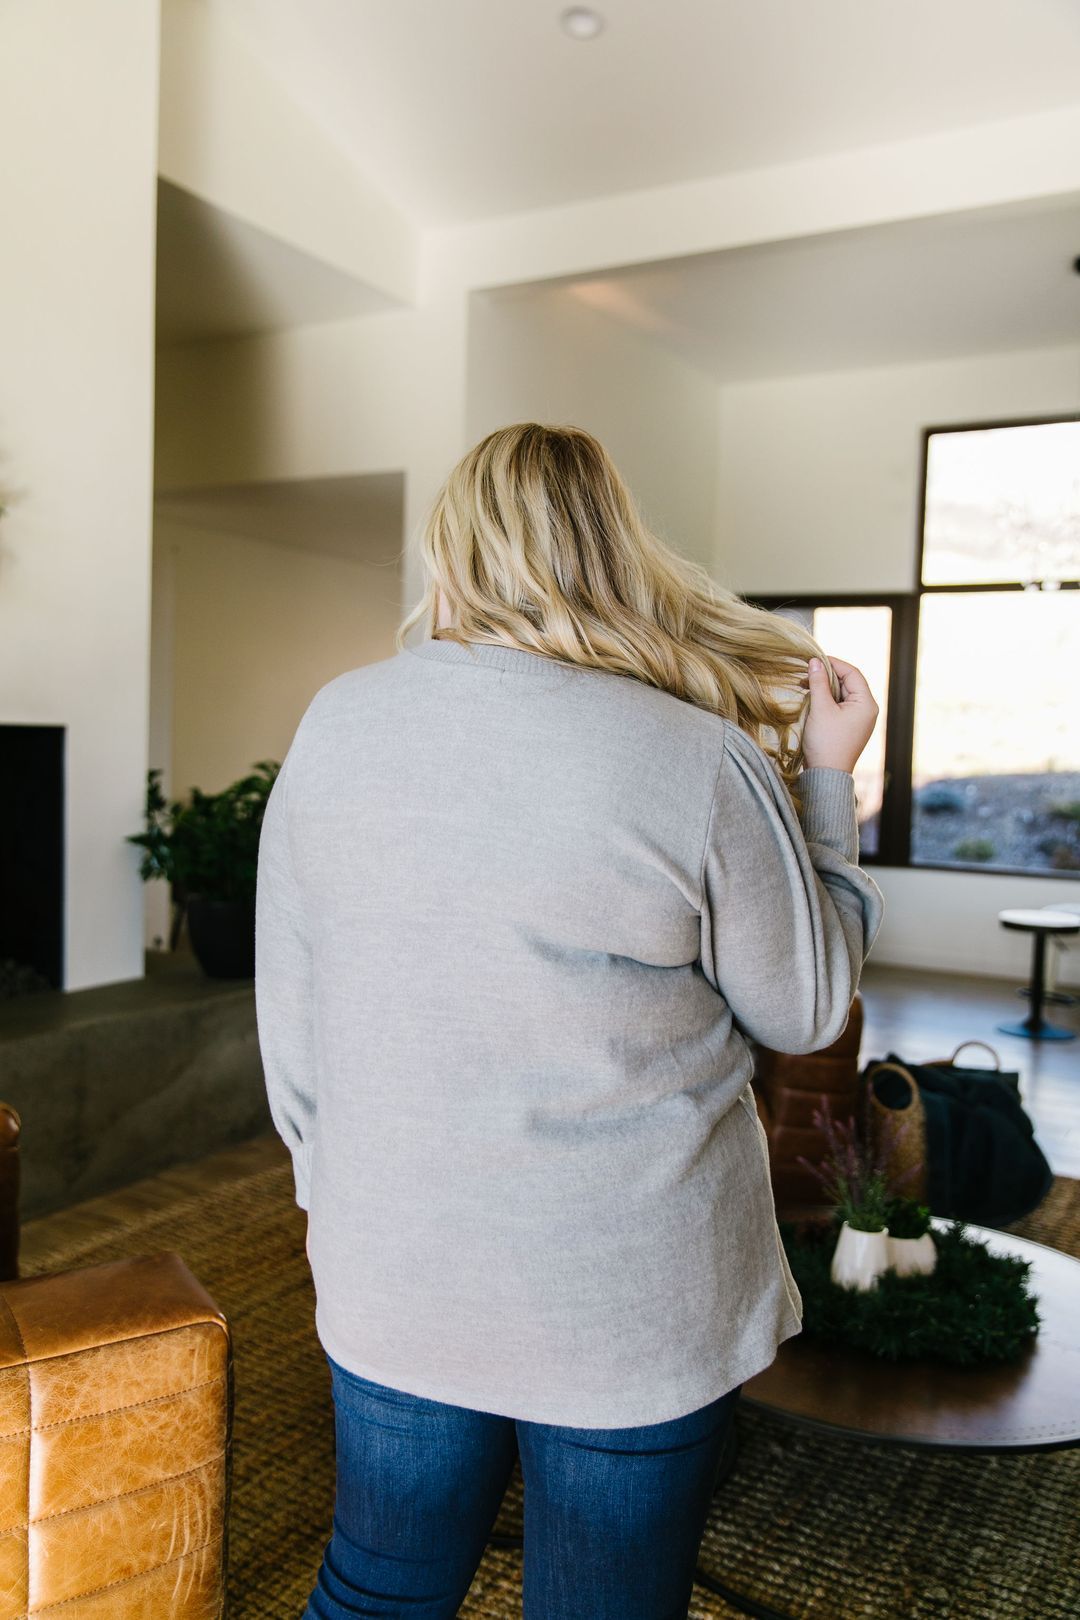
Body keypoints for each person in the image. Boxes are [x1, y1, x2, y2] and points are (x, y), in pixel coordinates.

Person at [254, 421, 885, 1620]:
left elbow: (294, 1020)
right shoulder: (696, 760)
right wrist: (825, 785)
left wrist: (337, 1201)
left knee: (376, 1591)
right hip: (630, 1304)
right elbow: (804, 1010)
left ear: (452, 553)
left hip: (397, 1266)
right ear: (615, 554)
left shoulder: (337, 723)